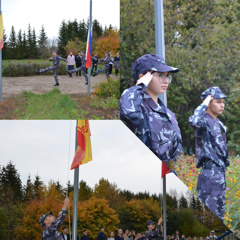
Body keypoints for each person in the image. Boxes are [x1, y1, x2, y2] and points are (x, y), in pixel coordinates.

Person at [120, 54, 182, 173]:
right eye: (160, 75)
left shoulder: (169, 114)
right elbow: (128, 114)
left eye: (167, 76)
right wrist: (140, 85)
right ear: (144, 77)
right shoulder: (138, 107)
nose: (166, 80)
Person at [188, 87, 229, 221]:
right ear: (209, 102)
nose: (222, 105)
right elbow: (193, 121)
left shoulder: (218, 123)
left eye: (223, 101)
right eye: (218, 101)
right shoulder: (204, 121)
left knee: (219, 219)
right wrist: (204, 104)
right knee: (208, 220)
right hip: (210, 175)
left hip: (219, 174)